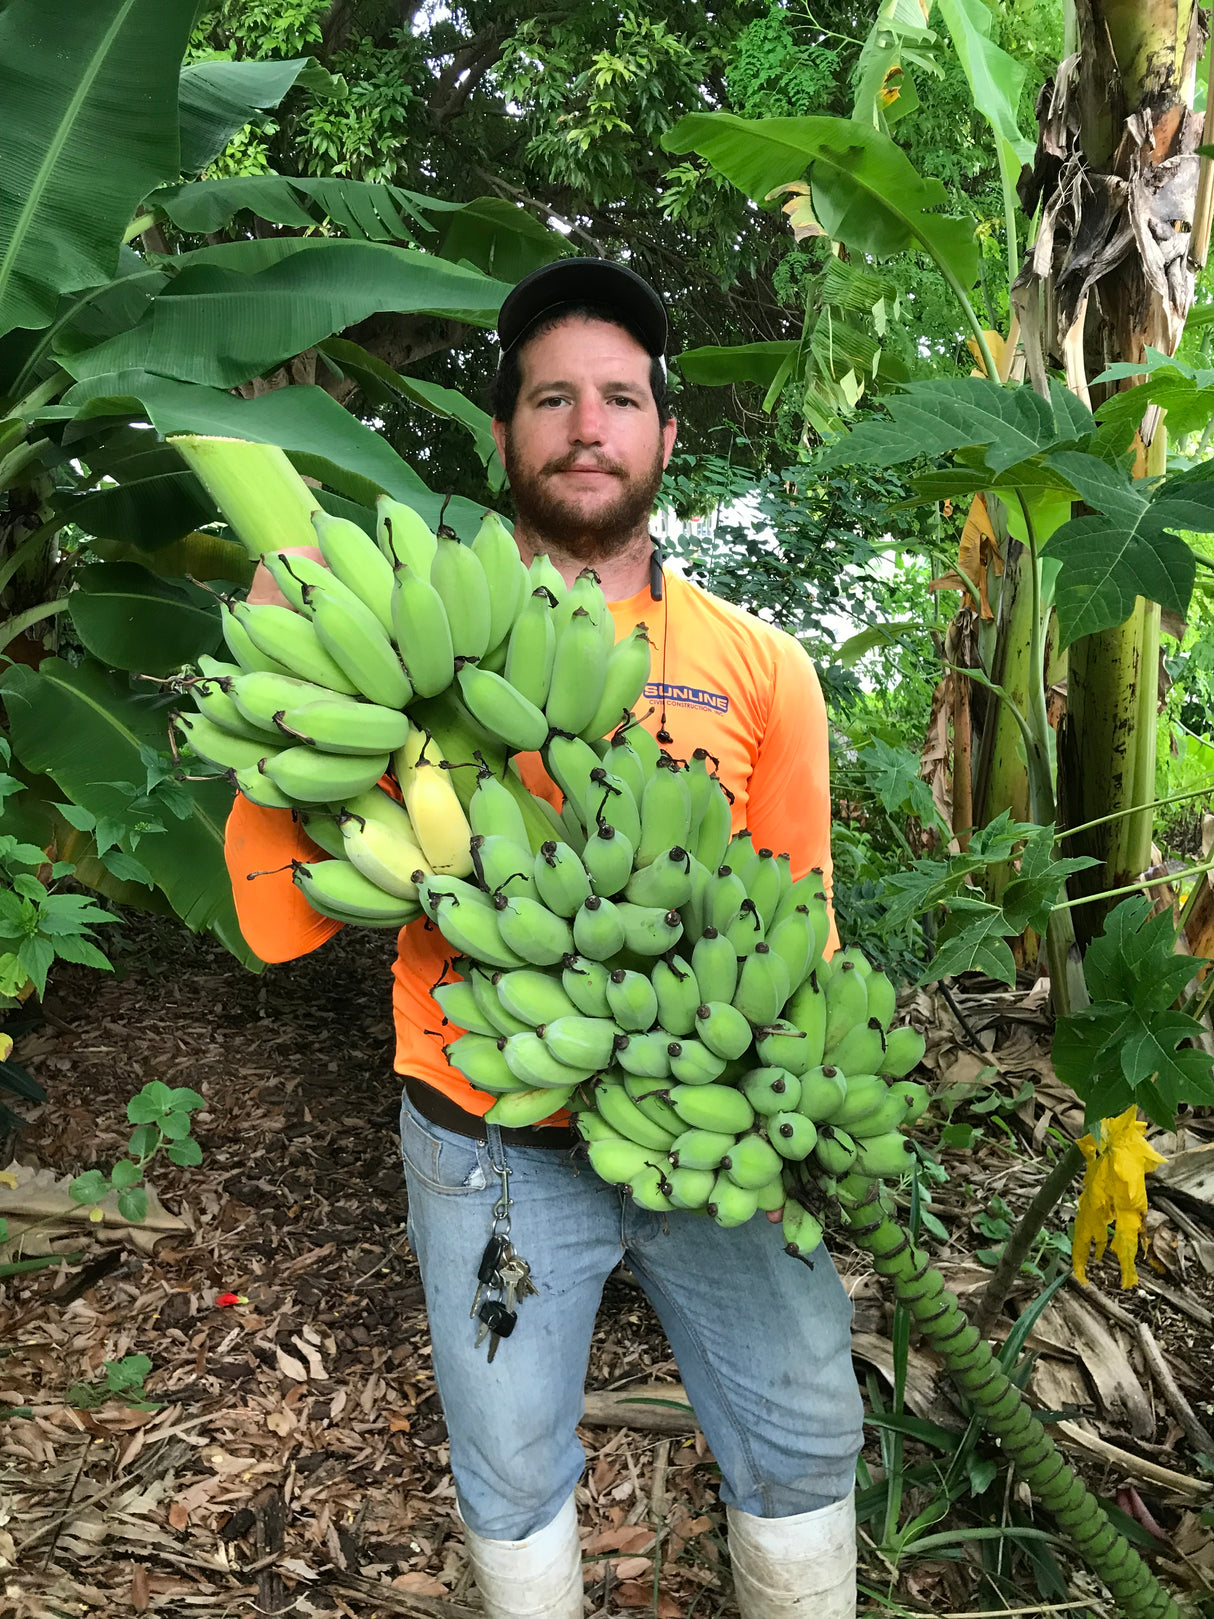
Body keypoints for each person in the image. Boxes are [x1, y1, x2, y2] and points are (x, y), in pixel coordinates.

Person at [225, 258, 864, 1619]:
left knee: (804, 1425)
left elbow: (795, 914)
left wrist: (803, 1106)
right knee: (510, 1461)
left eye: (620, 397)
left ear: (664, 434)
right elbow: (275, 925)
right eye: (553, 397)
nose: (589, 425)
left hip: (710, 1120)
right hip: (491, 1145)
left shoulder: (759, 666)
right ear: (505, 431)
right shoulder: (403, 645)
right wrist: (300, 694)